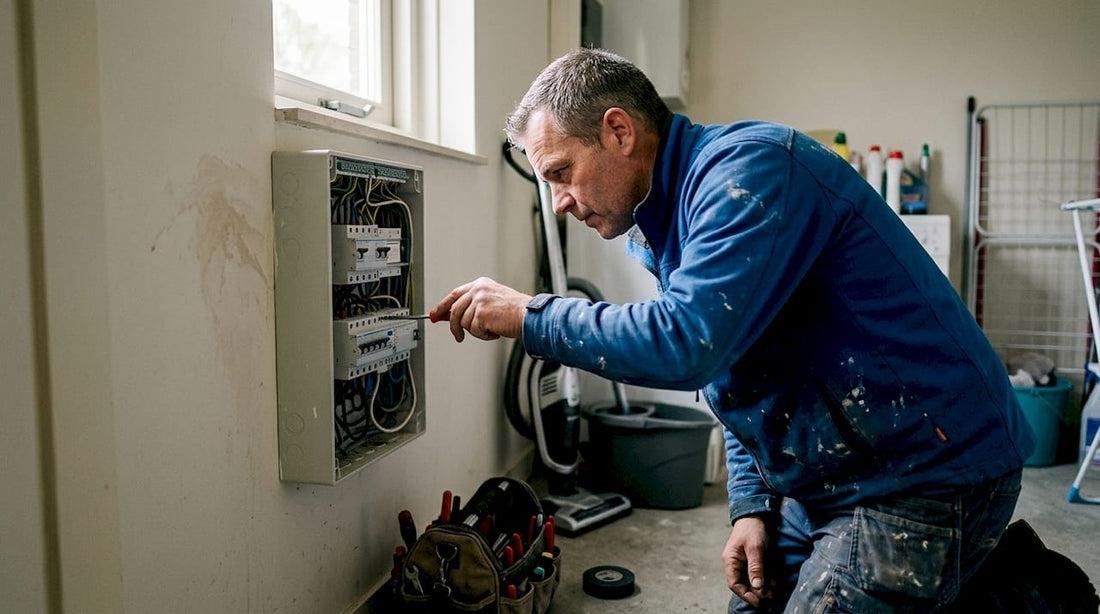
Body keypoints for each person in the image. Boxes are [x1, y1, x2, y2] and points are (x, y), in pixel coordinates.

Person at [432, 48, 1036, 612]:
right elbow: (736, 375)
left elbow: (687, 344)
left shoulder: (750, 172)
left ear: (619, 131)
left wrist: (531, 314)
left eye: (562, 172)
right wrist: (752, 506)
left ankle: (1013, 591)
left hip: (926, 473)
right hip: (837, 474)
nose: (559, 201)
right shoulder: (667, 220)